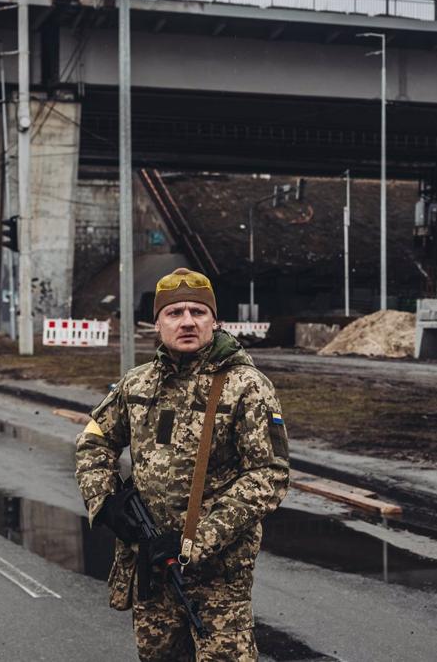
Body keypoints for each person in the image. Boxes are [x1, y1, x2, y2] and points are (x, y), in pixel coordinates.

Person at [75, 267, 290, 661]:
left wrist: (196, 542)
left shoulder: (246, 386)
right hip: (151, 568)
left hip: (217, 578)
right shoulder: (137, 384)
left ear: (215, 321)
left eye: (198, 312)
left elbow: (269, 475)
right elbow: (94, 439)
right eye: (174, 313)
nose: (187, 321)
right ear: (157, 324)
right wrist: (105, 502)